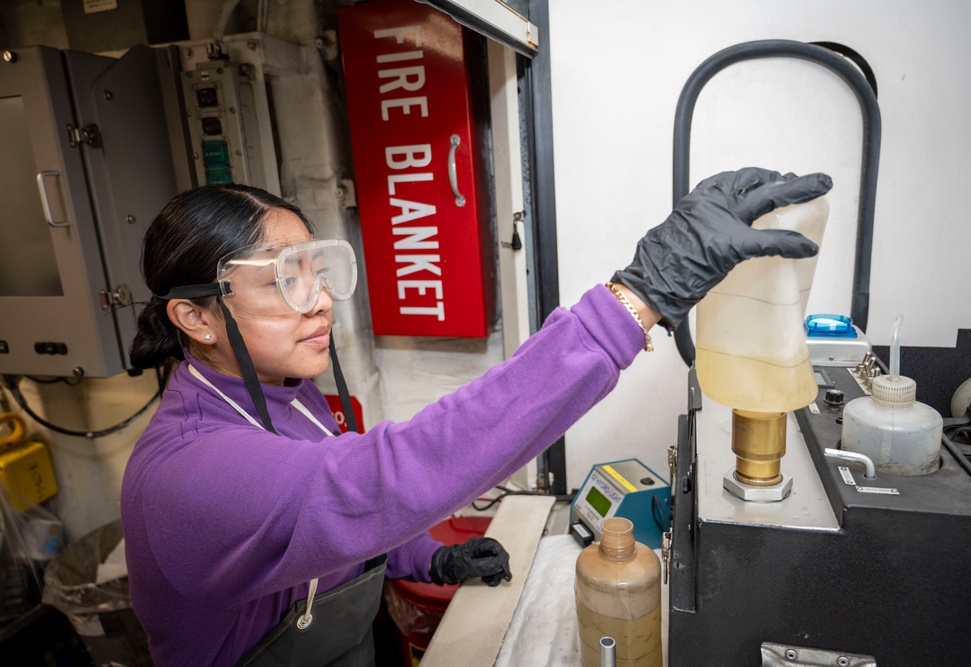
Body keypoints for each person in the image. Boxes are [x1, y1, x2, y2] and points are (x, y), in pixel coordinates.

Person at [121, 167, 832, 666]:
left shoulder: (284, 389)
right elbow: (374, 482)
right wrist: (635, 298)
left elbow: (344, 520)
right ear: (195, 315)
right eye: (284, 275)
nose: (319, 299)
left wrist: (426, 554)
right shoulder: (188, 475)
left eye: (317, 267)